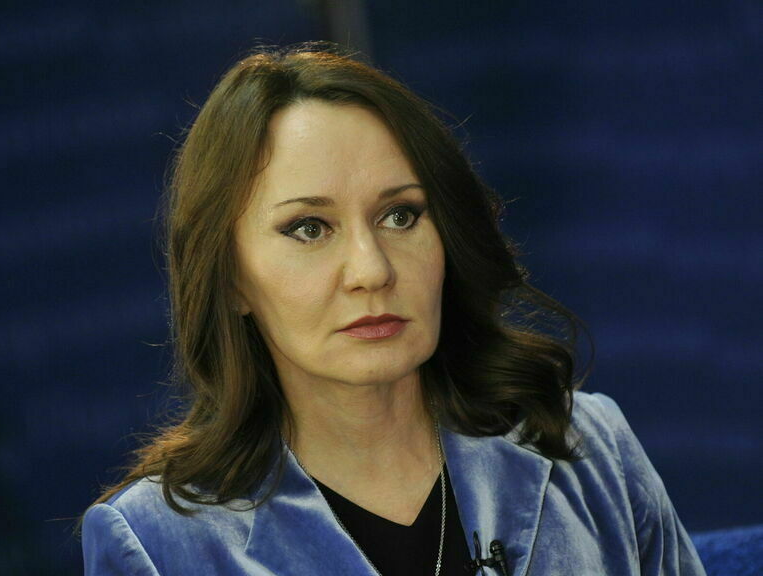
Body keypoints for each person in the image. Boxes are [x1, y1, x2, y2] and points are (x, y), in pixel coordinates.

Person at [81, 44, 706, 575]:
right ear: (232, 279)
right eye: (309, 228)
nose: (372, 270)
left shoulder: (589, 448)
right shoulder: (156, 544)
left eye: (400, 216)